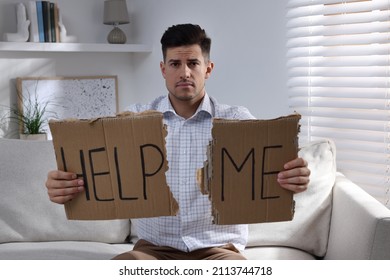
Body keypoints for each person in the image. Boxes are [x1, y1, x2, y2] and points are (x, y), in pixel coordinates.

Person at [45, 23, 310, 260]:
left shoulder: (237, 121)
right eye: (175, 64)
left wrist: (294, 177)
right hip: (154, 249)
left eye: (193, 63)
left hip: (218, 249)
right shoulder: (133, 120)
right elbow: (100, 173)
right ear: (163, 69)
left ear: (208, 68)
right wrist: (65, 185)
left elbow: (270, 172)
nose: (184, 72)